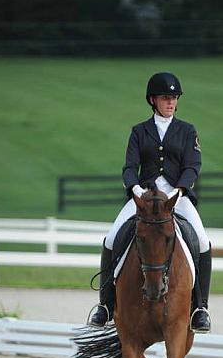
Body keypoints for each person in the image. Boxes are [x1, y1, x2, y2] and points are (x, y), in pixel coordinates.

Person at [88, 71, 212, 333]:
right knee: (112, 238)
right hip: (144, 196)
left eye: (174, 97)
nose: (171, 102)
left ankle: (200, 308)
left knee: (201, 241)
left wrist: (179, 190)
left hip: (176, 197)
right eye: (166, 97)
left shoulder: (187, 131)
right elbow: (130, 166)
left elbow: (193, 166)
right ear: (153, 100)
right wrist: (135, 189)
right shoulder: (139, 131)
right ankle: (105, 305)